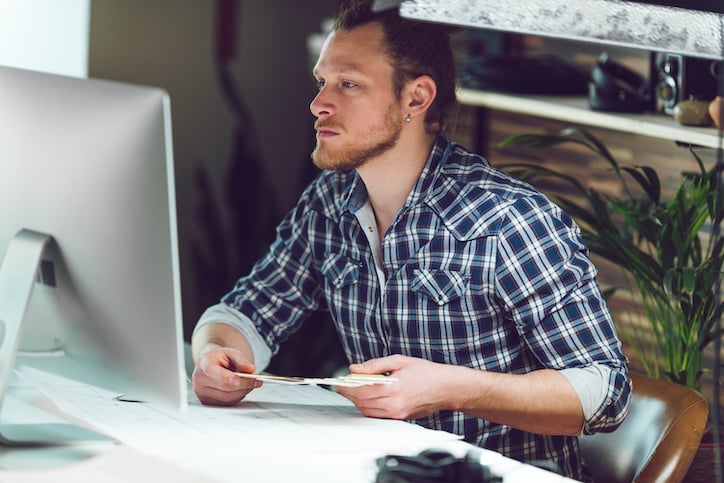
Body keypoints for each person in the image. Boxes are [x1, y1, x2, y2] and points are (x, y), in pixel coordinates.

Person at [191, 0, 631, 479]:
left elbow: (603, 391)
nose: (319, 104)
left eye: (349, 84)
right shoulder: (328, 202)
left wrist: (451, 387)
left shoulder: (509, 219)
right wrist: (215, 356)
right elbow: (241, 314)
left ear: (416, 99)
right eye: (322, 82)